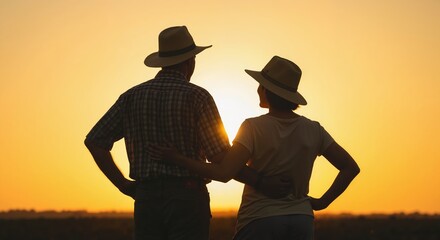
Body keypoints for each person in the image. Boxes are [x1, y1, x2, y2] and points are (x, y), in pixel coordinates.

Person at [84, 26, 291, 240]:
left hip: (146, 197)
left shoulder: (131, 97)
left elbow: (95, 141)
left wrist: (124, 185)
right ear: (190, 61)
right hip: (188, 196)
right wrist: (260, 181)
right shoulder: (198, 97)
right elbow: (220, 158)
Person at [152, 56, 361, 240]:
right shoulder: (314, 129)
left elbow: (224, 173)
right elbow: (350, 168)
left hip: (260, 219)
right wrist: (323, 201)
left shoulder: (253, 127)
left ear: (266, 90)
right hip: (302, 220)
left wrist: (178, 158)